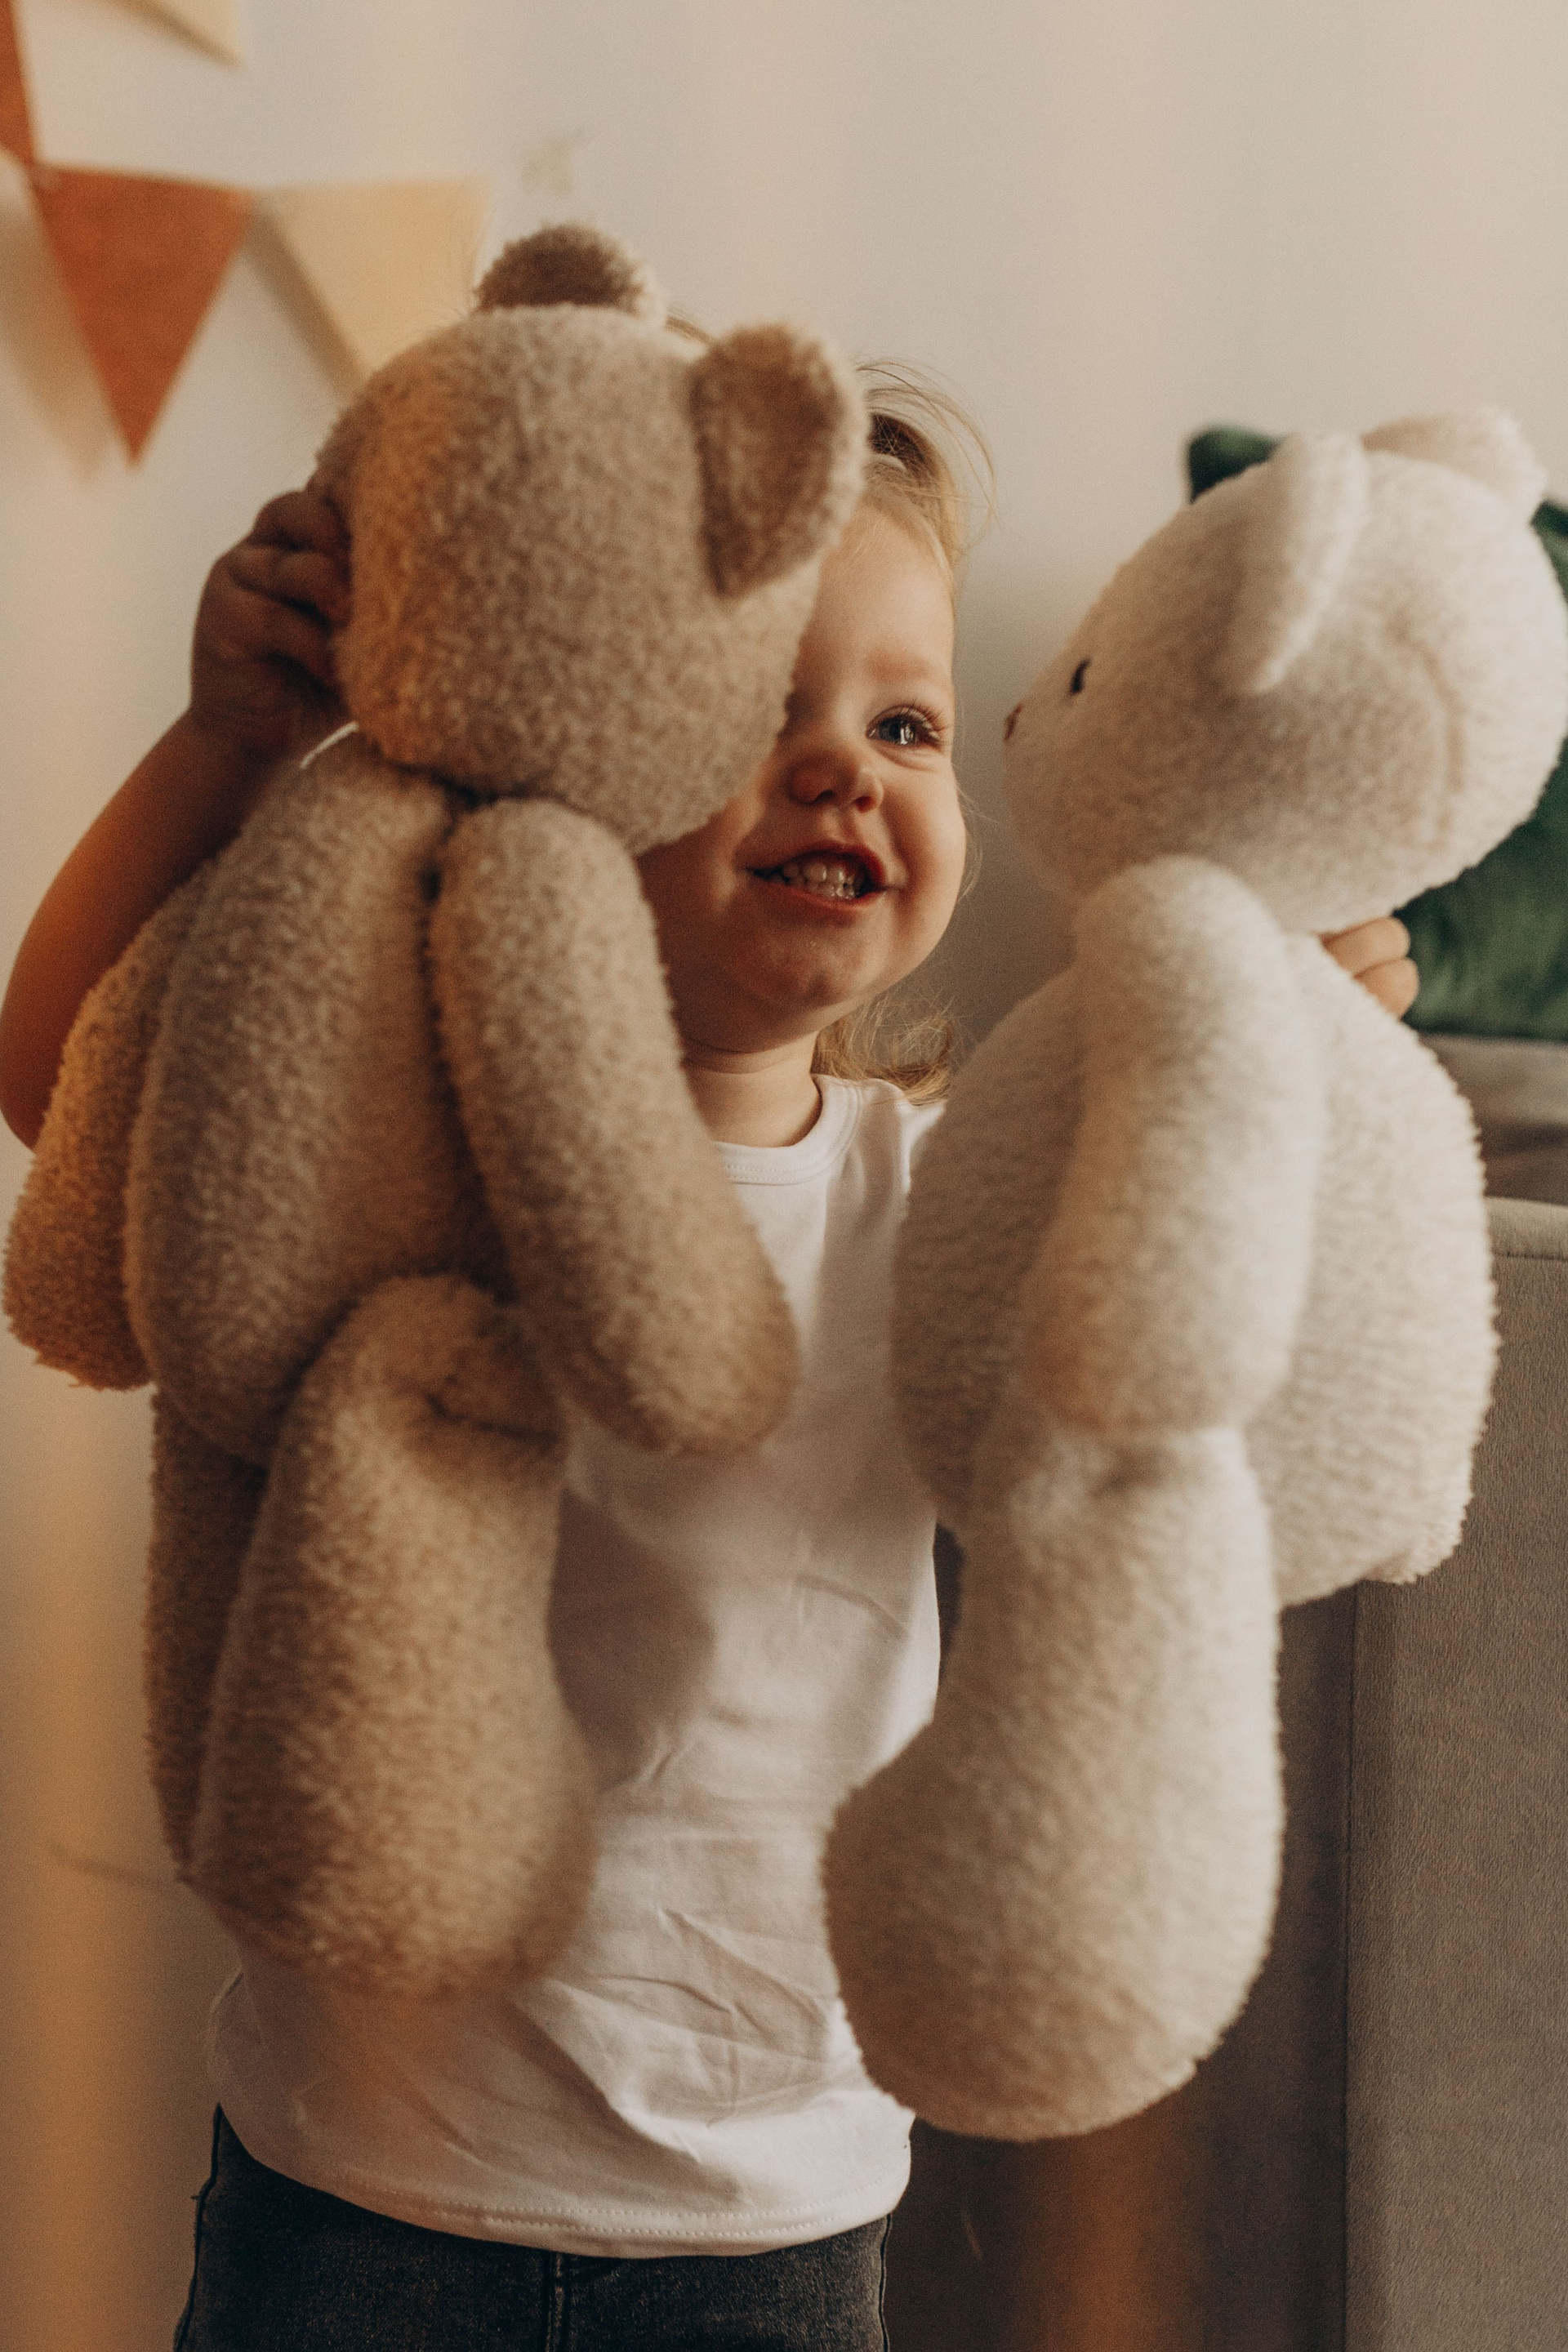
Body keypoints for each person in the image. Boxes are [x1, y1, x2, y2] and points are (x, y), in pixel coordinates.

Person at [0, 376, 1418, 2352]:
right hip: (368, 2178)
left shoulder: (947, 1196)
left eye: (906, 725)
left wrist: (1309, 1053)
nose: (840, 769)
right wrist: (227, 745)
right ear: (562, 755)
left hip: (773, 2213)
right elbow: (75, 1090)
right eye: (756, 708)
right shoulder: (421, 1144)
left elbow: (1198, 1353)